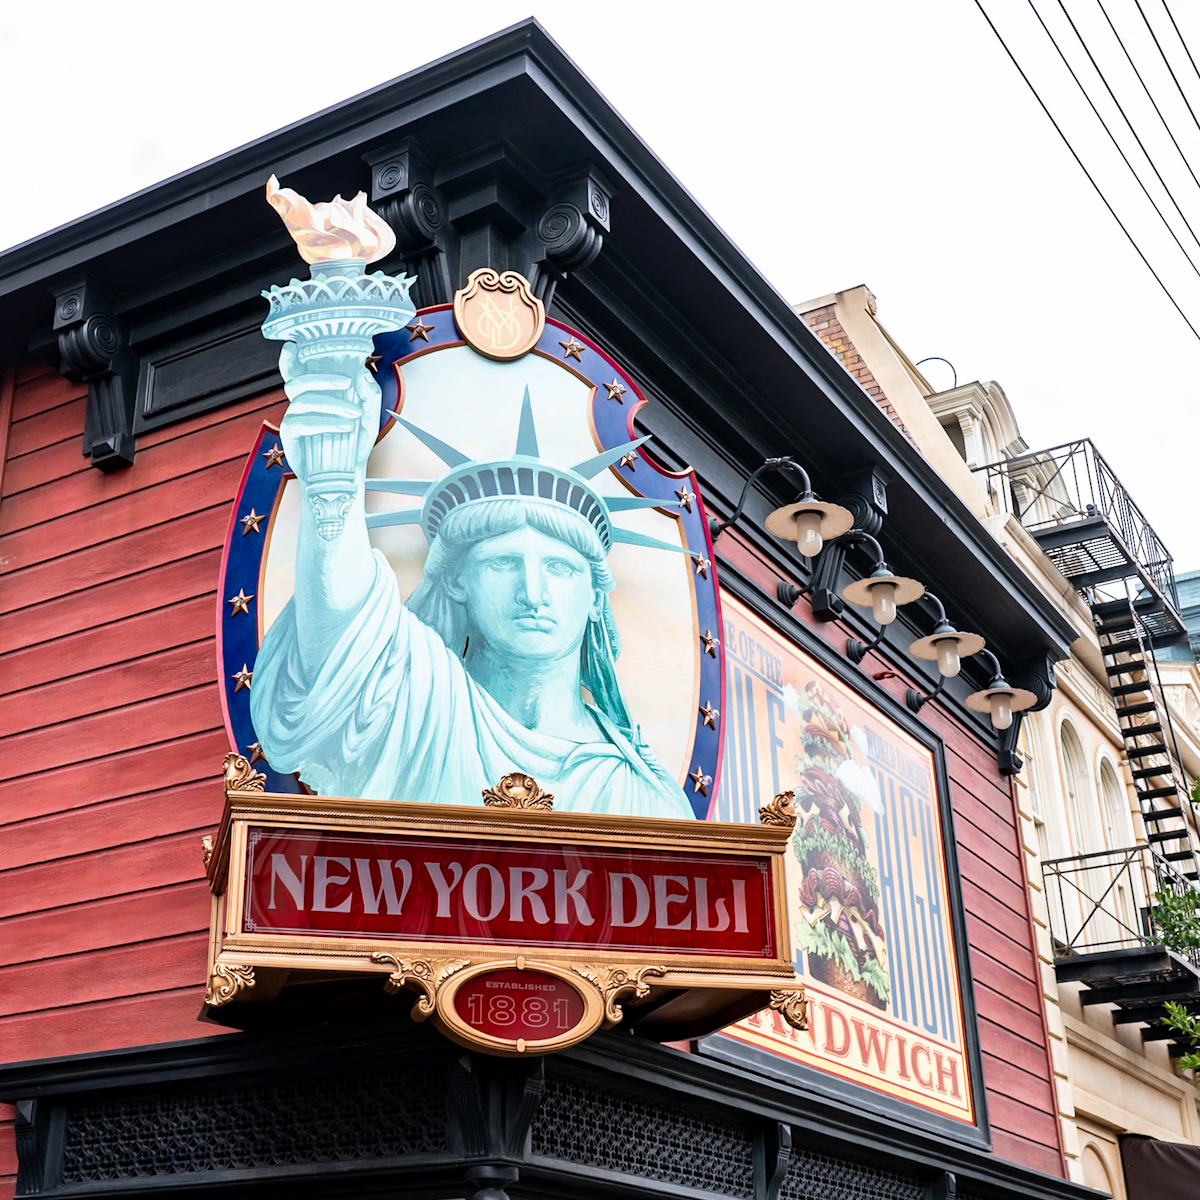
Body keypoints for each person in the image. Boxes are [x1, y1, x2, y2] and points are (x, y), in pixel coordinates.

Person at [250, 363, 696, 821]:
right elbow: (340, 626)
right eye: (503, 563)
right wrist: (335, 472)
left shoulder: (640, 787)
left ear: (596, 599)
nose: (533, 593)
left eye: (560, 568)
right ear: (459, 580)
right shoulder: (421, 701)